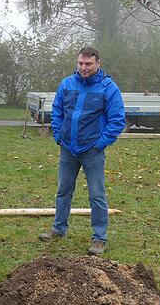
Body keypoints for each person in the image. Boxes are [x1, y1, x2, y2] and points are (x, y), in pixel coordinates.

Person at [39, 46, 125, 255]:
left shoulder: (108, 88)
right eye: (80, 63)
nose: (83, 68)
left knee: (97, 195)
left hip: (92, 151)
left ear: (98, 63)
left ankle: (99, 238)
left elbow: (117, 120)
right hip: (68, 148)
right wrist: (59, 135)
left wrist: (99, 144)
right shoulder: (67, 84)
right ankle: (59, 229)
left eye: (88, 64)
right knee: (63, 191)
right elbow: (57, 111)